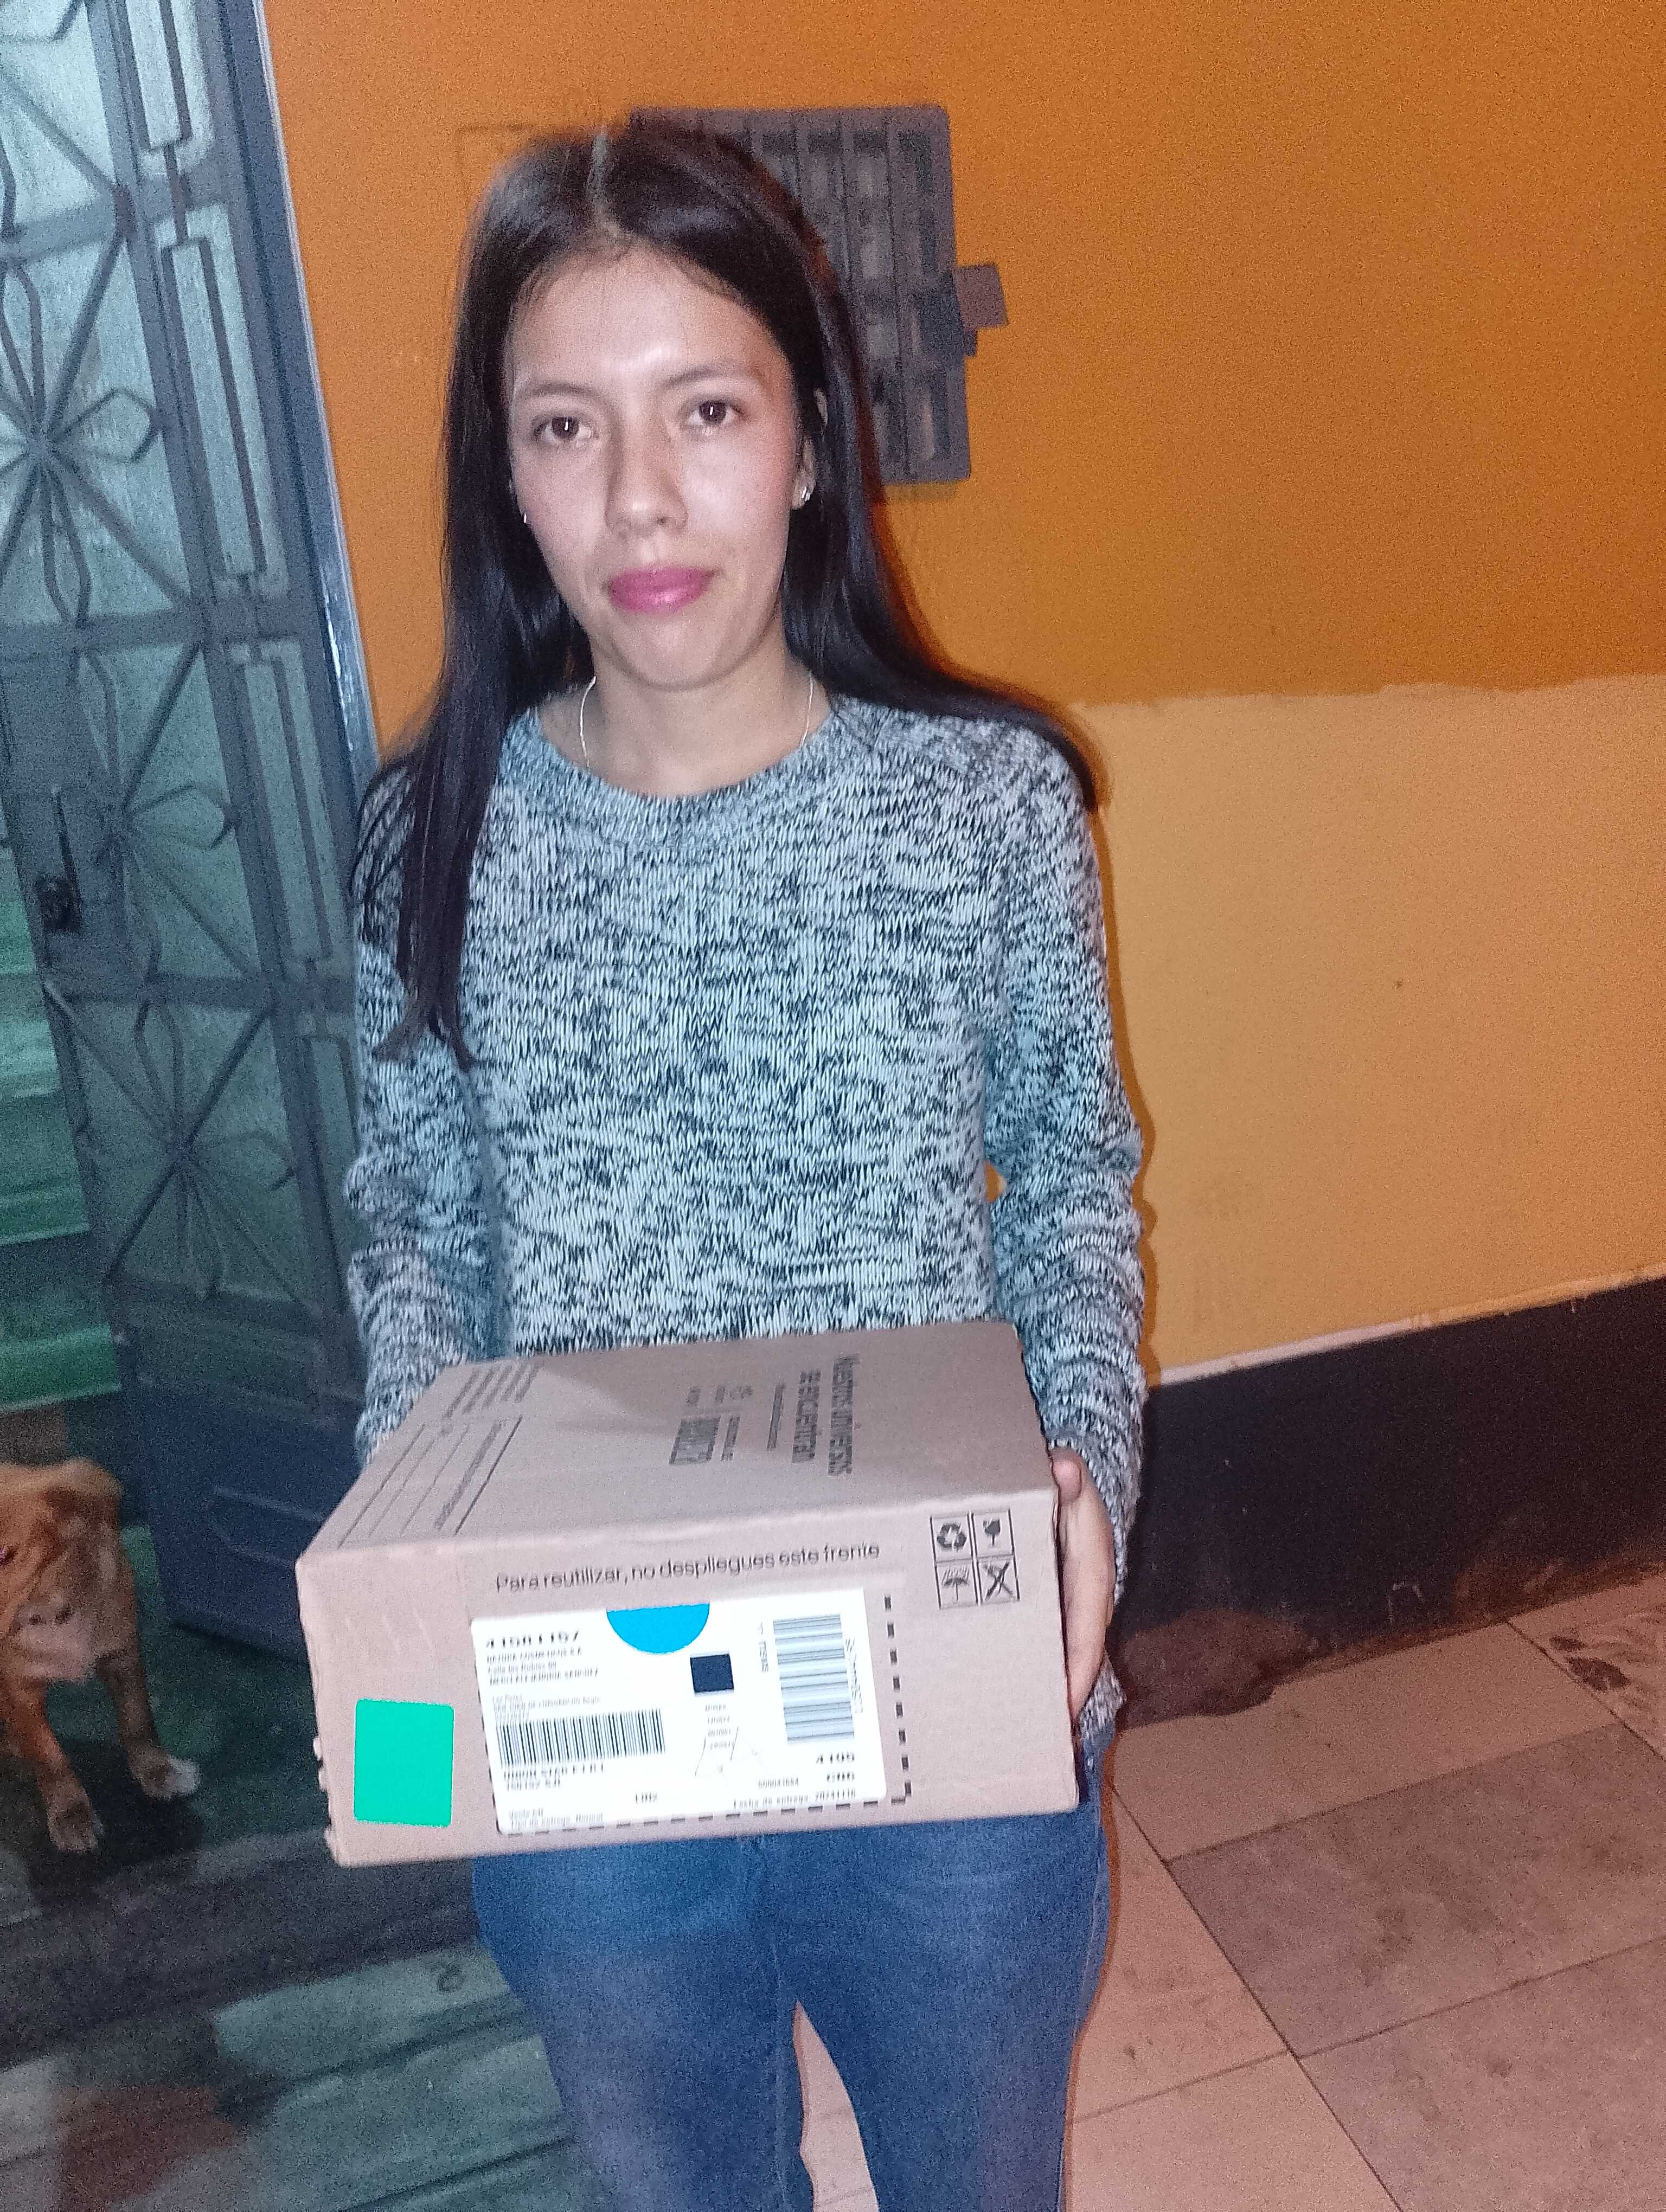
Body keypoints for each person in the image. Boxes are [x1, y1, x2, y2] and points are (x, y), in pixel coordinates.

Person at [346, 119, 1145, 2212]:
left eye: (705, 409)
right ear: (505, 479)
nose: (638, 497)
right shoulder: (435, 835)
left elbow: (1070, 1174)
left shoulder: (986, 809)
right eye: (564, 427)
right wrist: (399, 1582)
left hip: (945, 1699)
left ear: (807, 442)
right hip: (587, 1735)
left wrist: (1084, 1482)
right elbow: (418, 1227)